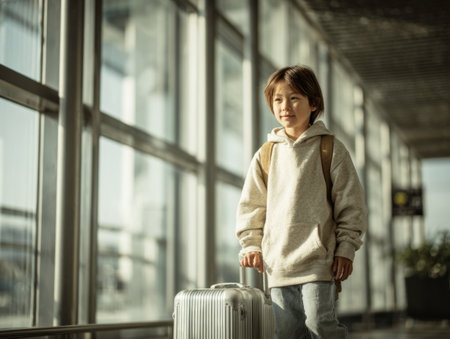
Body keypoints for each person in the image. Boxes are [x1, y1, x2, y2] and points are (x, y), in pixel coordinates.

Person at [236, 65, 367, 339]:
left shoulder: (330, 148)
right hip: (279, 263)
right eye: (278, 99)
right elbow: (252, 205)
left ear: (314, 102)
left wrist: (346, 248)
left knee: (321, 327)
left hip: (319, 260)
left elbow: (351, 205)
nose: (285, 106)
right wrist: (251, 244)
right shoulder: (265, 154)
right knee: (287, 332)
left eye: (294, 97)